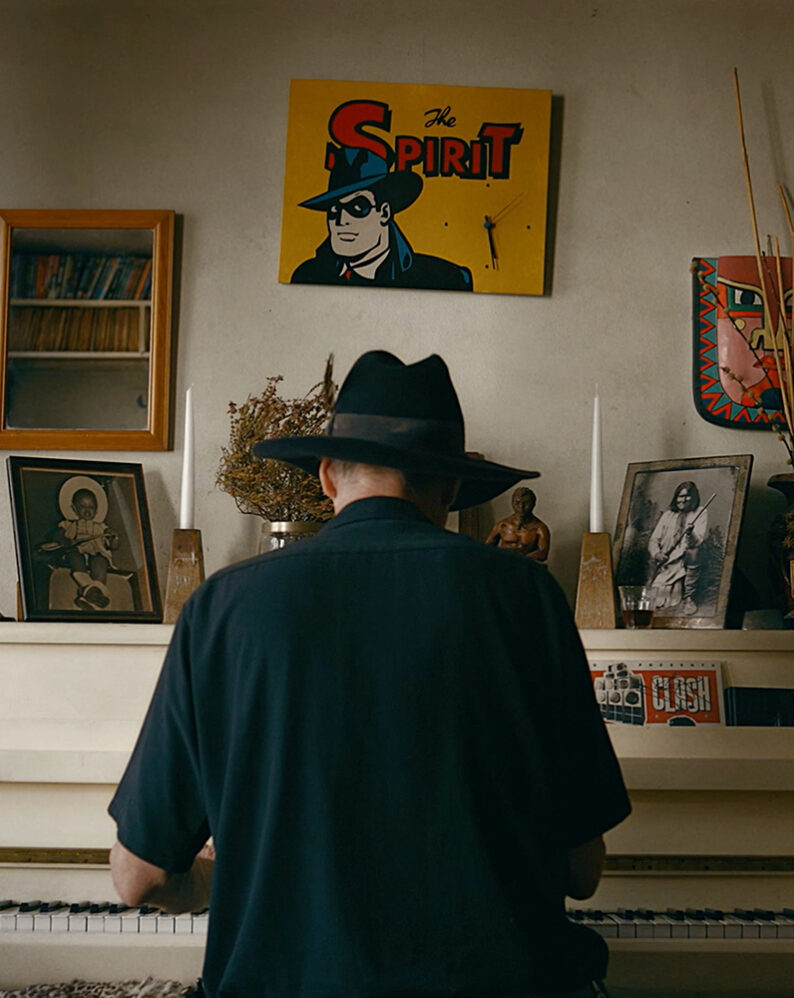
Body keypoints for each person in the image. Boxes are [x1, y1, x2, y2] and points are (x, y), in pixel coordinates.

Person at [110, 350, 631, 997]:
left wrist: (222, 877)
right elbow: (582, 872)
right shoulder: (527, 597)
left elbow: (139, 878)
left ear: (327, 477)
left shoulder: (223, 606)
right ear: (450, 490)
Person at [289, 144, 473, 291]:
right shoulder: (306, 275)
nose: (340, 220)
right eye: (334, 210)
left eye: (357, 207)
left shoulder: (445, 278)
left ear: (384, 213)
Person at [35, 477, 124, 610]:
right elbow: (56, 534)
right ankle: (94, 593)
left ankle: (91, 592)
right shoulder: (69, 524)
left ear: (97, 509)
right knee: (74, 557)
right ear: (74, 508)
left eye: (91, 507)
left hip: (96, 553)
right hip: (76, 552)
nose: (87, 510)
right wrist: (62, 538)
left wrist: (114, 538)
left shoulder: (101, 527)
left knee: (100, 561)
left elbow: (114, 546)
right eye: (83, 507)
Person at [646, 480, 709, 611]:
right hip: (666, 560)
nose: (683, 500)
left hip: (685, 558)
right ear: (676, 497)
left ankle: (689, 597)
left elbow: (697, 542)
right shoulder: (668, 515)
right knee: (658, 593)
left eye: (687, 496)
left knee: (694, 552)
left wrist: (690, 534)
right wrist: (657, 554)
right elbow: (654, 540)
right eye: (680, 496)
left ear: (694, 497)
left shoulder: (700, 512)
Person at [486, 485, 552, 563]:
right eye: (517, 503)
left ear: (533, 504)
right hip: (504, 564)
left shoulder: (540, 528)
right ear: (512, 503)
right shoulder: (502, 525)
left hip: (526, 566)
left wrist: (520, 561)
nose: (521, 507)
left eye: (526, 503)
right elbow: (487, 549)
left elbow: (543, 554)